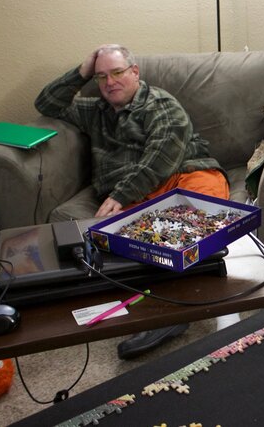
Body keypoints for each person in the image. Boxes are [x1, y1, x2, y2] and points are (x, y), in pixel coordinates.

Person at [35, 44, 229, 359]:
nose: (110, 82)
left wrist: (120, 195)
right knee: (134, 242)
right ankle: (163, 313)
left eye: (117, 72)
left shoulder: (160, 104)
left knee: (198, 227)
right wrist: (82, 71)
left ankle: (172, 314)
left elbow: (162, 155)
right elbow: (46, 103)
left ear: (135, 72)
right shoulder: (94, 111)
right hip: (139, 193)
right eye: (101, 76)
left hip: (184, 174)